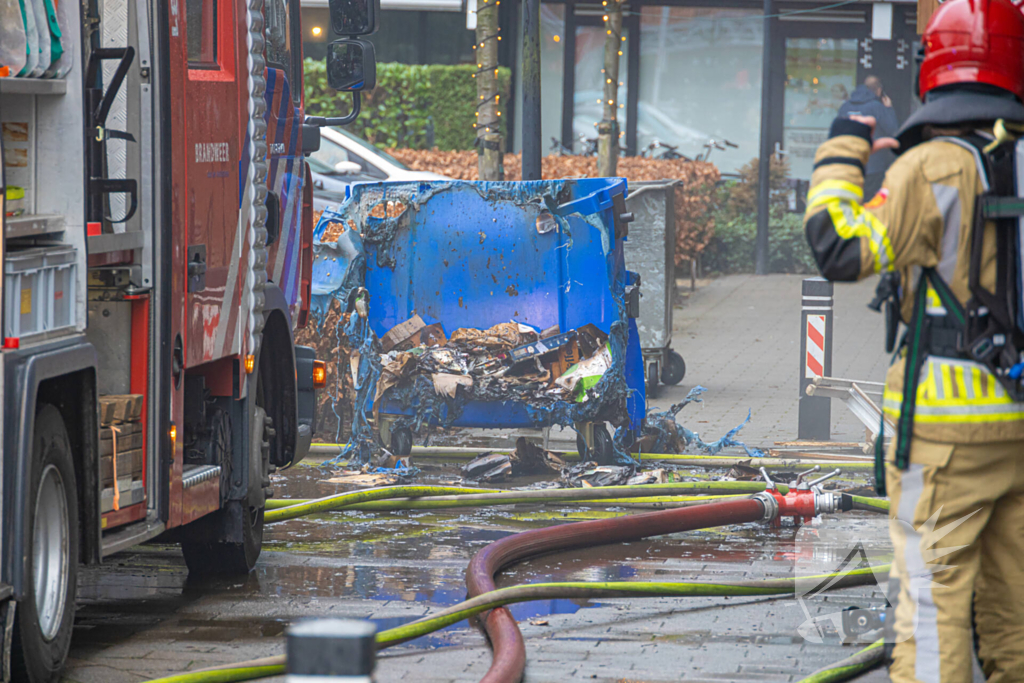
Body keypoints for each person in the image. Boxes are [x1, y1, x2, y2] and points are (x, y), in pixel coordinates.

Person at [803, 0, 1024, 681]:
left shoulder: (926, 169)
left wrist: (845, 145)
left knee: (932, 613)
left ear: (935, 66)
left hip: (943, 435)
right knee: (1014, 612)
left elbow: (837, 246)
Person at [837, 75, 901, 198]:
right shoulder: (877, 107)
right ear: (879, 91)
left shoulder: (845, 107)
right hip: (873, 167)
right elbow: (893, 130)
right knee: (871, 205)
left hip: (849, 165)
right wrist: (889, 109)